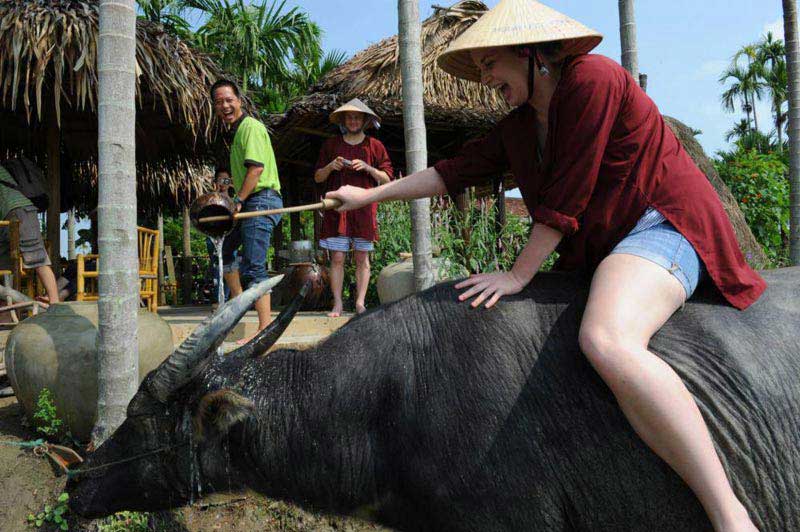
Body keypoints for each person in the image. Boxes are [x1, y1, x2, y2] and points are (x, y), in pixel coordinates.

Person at [326, 1, 763, 530]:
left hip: (661, 225)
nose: (486, 79)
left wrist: (516, 275)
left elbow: (569, 195)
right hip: (609, 248)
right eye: (481, 68)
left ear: (532, 53)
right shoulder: (517, 127)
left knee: (606, 340)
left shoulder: (594, 80)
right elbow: (454, 172)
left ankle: (729, 512)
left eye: (492, 65)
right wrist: (367, 196)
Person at [210, 79, 282, 342]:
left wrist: (238, 200)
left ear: (239, 100)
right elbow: (240, 173)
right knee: (225, 251)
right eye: (219, 102)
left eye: (229, 100)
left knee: (253, 264)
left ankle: (265, 328)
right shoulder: (234, 134)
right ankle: (237, 304)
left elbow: (256, 170)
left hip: (261, 200)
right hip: (249, 198)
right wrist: (227, 185)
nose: (225, 105)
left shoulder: (250, 127)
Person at [314, 99, 393, 316]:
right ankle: (338, 303)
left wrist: (368, 168)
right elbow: (318, 177)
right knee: (337, 257)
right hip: (337, 210)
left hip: (364, 209)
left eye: (357, 117)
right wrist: (331, 166)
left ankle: (360, 303)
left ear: (365, 121)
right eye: (349, 117)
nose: (353, 120)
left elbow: (387, 179)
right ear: (343, 120)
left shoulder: (375, 146)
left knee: (361, 258)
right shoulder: (331, 145)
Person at [0, 161, 59, 304]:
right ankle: (6, 313)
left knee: (37, 258)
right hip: (8, 215)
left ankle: (55, 303)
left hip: (20, 210)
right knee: (3, 265)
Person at [204, 169, 243, 303]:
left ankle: (230, 300)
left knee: (230, 266)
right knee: (217, 267)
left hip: (229, 236)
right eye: (221, 179)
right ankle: (219, 300)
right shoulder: (210, 199)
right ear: (215, 181)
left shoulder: (234, 201)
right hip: (214, 236)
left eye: (227, 180)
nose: (224, 183)